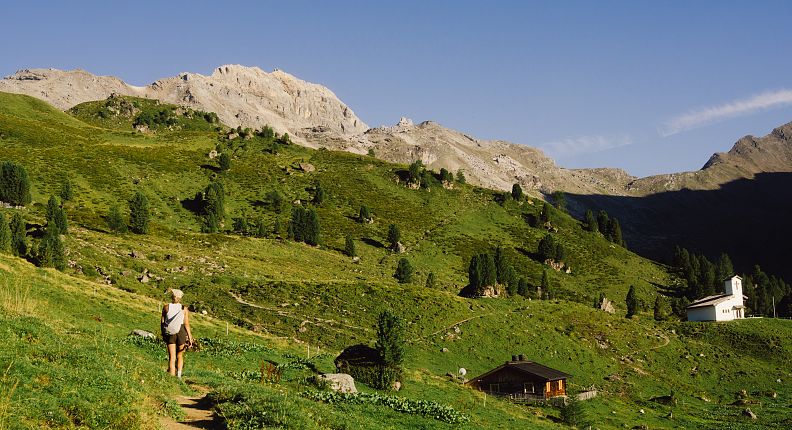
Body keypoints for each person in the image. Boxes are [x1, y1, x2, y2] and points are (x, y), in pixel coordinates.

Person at [161, 288, 194, 378]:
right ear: (180, 298)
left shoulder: (166, 307)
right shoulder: (184, 308)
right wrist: (190, 337)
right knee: (179, 355)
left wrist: (163, 333)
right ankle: (179, 376)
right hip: (181, 332)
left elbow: (163, 321)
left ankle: (171, 377)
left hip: (170, 332)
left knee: (172, 357)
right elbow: (186, 324)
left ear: (172, 296)